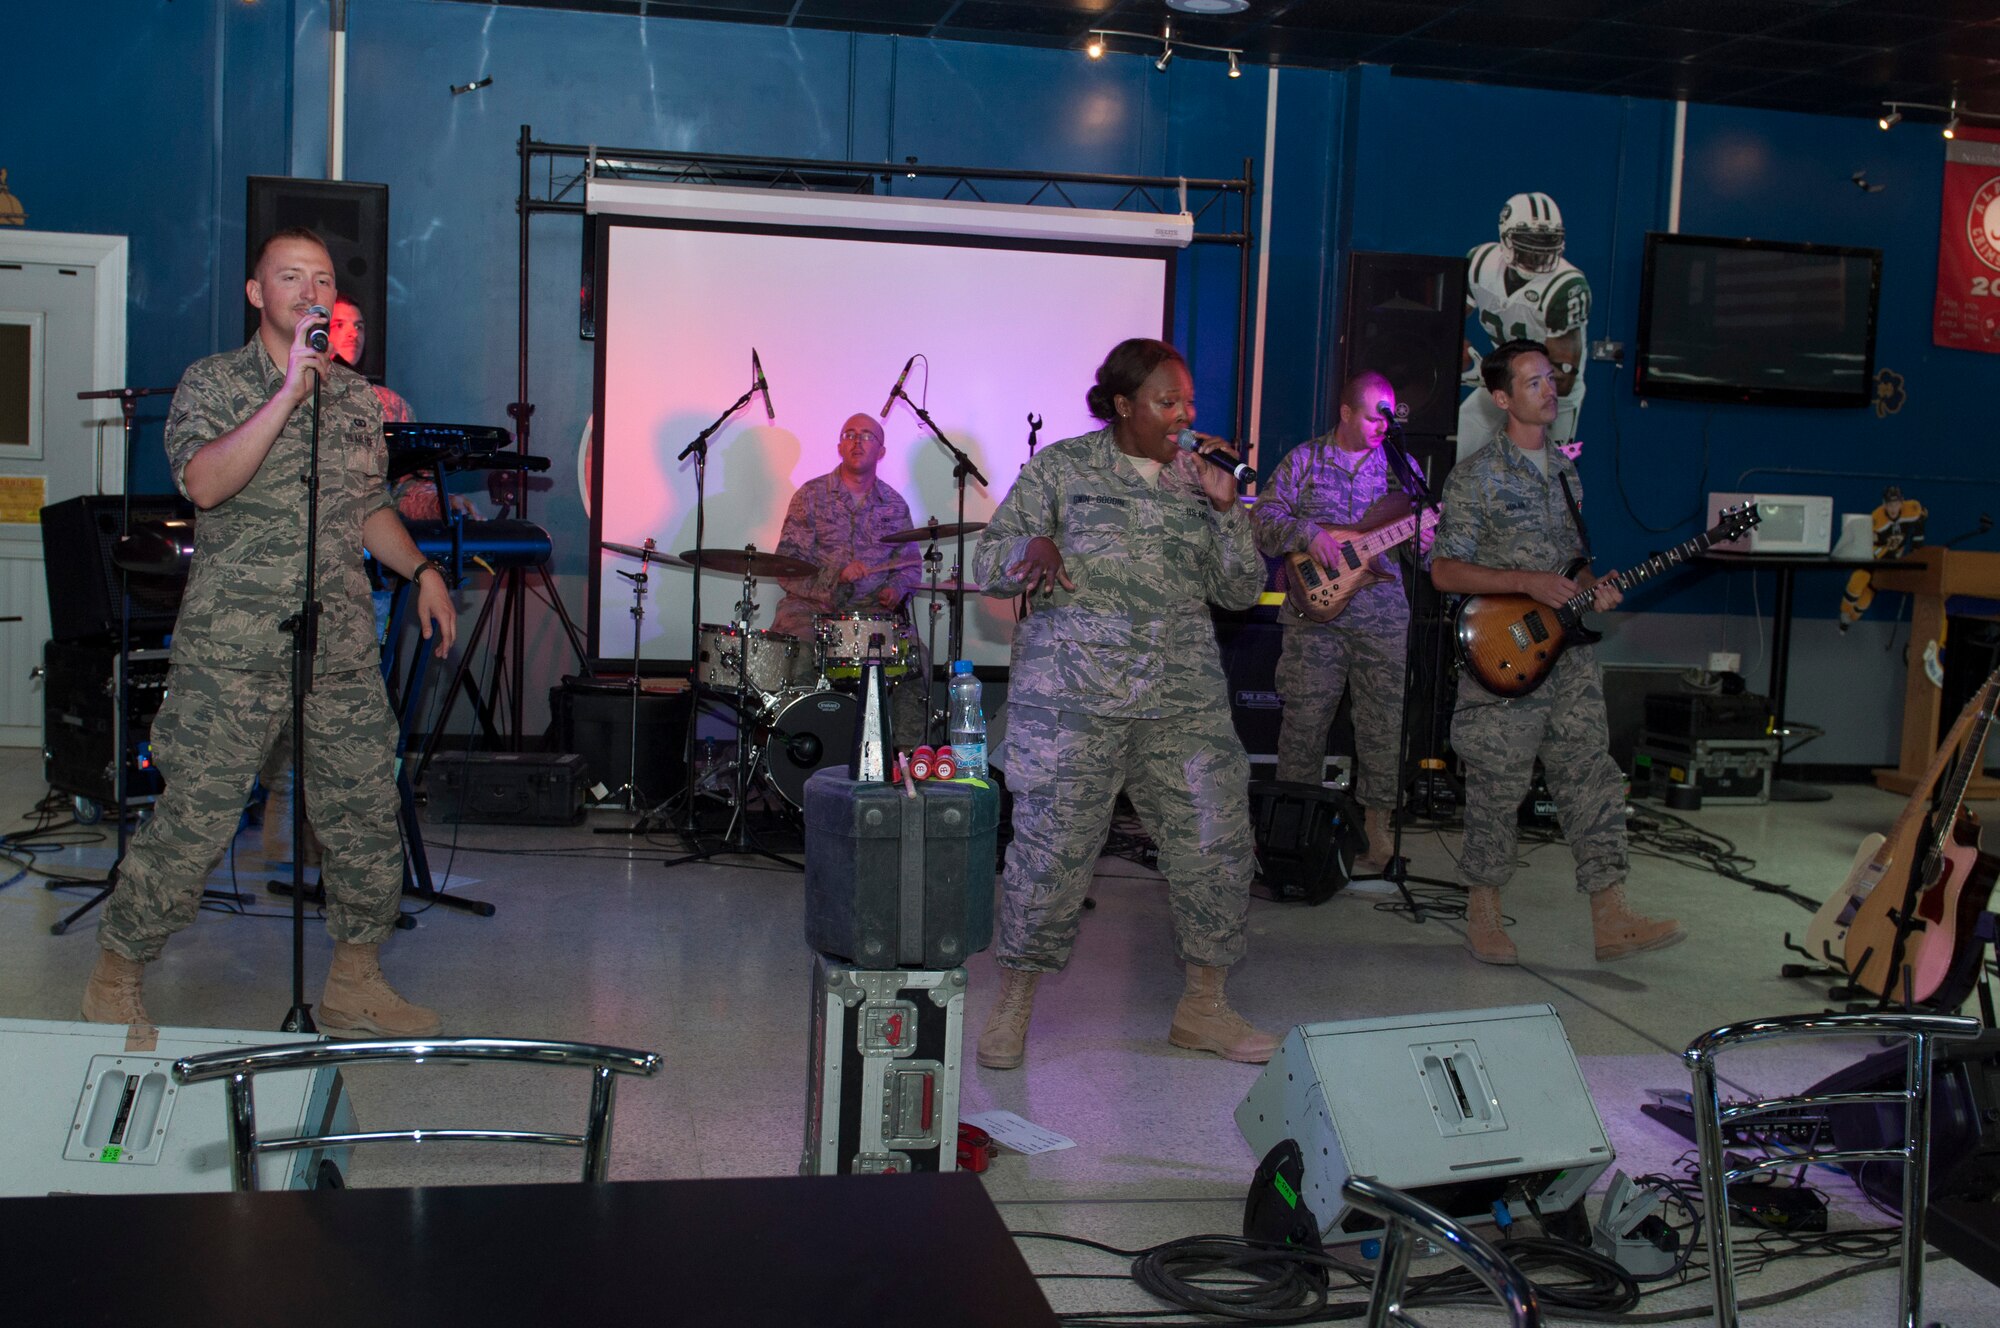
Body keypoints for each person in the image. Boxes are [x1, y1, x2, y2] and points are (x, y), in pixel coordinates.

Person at [81, 227, 457, 1035]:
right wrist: (286, 393)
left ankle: (356, 977)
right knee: (201, 814)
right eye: (290, 277)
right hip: (235, 644)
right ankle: (116, 972)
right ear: (257, 293)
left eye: (320, 279)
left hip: (341, 641)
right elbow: (206, 485)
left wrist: (421, 572)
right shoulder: (213, 383)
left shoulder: (357, 401)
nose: (309, 292)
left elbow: (368, 507)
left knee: (360, 808)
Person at [971, 337, 1275, 1070]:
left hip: (1181, 702)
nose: (1184, 416)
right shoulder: (1065, 468)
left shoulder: (1198, 481)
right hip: (1076, 701)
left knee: (1217, 844)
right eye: (1168, 402)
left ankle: (1203, 1005)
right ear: (1124, 406)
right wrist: (1031, 552)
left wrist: (1228, 511)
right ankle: (1014, 1005)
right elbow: (988, 559)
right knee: (1050, 859)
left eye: (1189, 403)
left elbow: (1239, 592)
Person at [1430, 339, 1684, 965]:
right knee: (1496, 782)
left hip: (1568, 655)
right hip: (1502, 651)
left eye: (1552, 377)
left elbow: (1572, 565)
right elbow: (1445, 571)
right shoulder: (1476, 476)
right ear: (1501, 398)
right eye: (1534, 381)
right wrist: (1527, 582)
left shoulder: (1568, 472)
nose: (1550, 388)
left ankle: (1611, 914)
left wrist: (1593, 588)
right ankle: (1483, 912)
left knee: (1591, 774)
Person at [1251, 372, 1429, 876]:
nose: (1382, 424)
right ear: (1348, 413)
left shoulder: (1403, 469)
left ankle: (1377, 834)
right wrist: (1307, 533)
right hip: (1315, 617)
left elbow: (1420, 552)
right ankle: (1291, 830)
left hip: (1383, 619)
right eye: (1374, 414)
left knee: (1384, 726)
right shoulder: (1305, 461)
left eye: (1388, 415)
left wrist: (1427, 541)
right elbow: (1262, 516)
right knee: (1305, 723)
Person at [773, 413, 926, 739]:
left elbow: (911, 566)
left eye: (867, 436)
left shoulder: (894, 506)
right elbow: (786, 566)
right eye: (850, 434)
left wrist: (896, 589)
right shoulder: (810, 496)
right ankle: (799, 753)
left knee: (916, 659)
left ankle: (905, 759)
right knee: (798, 654)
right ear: (840, 445)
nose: (858, 442)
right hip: (811, 611)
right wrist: (836, 576)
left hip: (873, 615)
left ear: (881, 451)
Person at [1457, 193, 1591, 461]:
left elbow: (1560, 380)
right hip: (1503, 379)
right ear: (1505, 238)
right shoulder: (1481, 263)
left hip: (1548, 394)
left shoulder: (1566, 287)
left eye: (1546, 244)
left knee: (1544, 479)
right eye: (1528, 245)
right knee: (1459, 449)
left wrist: (1495, 375)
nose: (1538, 255)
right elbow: (1448, 319)